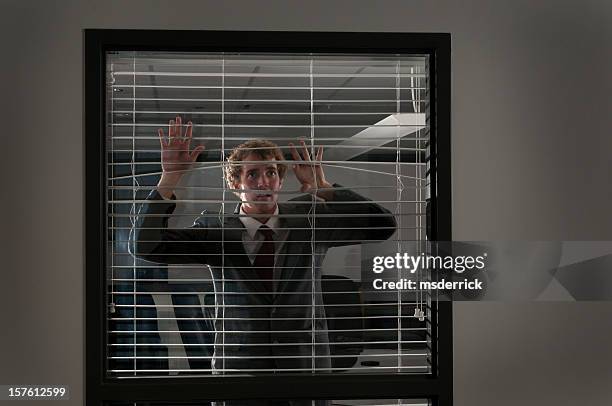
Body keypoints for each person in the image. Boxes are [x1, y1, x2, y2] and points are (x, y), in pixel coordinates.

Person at [133, 116, 397, 374]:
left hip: (304, 368)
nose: (263, 182)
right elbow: (145, 247)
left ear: (280, 181)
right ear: (235, 184)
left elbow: (382, 226)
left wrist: (324, 188)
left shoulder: (309, 219)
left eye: (271, 172)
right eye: (252, 174)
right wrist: (169, 180)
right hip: (240, 369)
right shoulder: (215, 229)